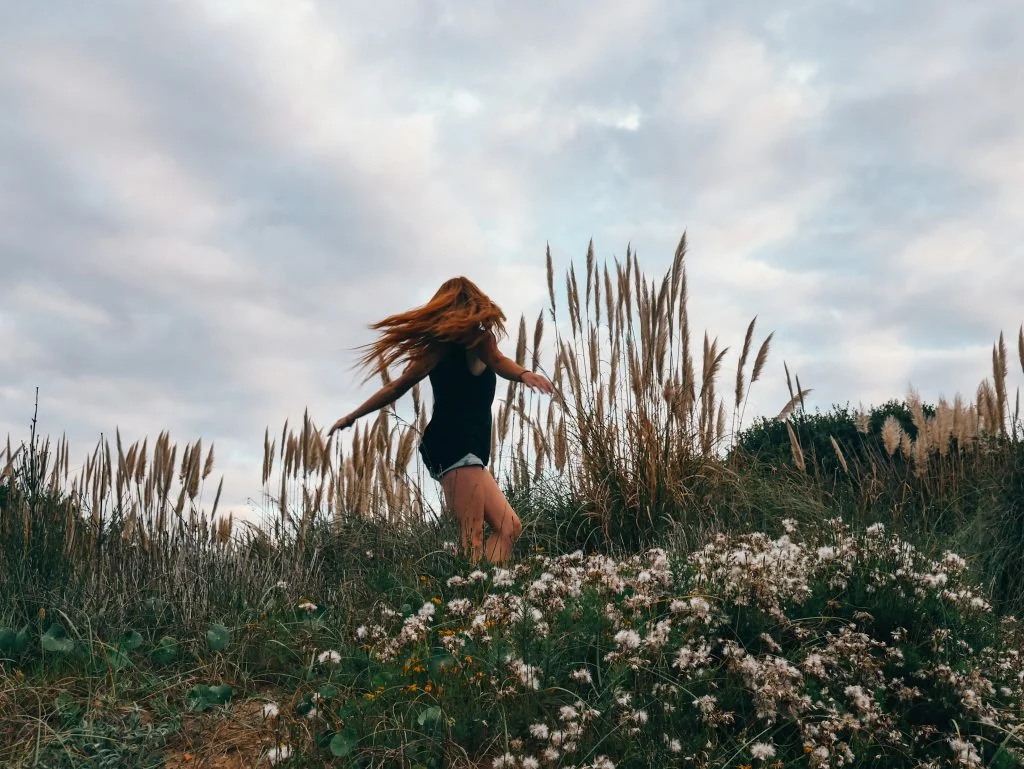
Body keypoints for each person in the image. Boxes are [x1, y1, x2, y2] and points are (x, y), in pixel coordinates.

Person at [326, 277, 554, 564]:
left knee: (509, 527)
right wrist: (523, 374)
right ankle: (475, 599)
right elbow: (497, 361)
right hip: (457, 446)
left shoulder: (443, 348)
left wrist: (351, 417)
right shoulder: (471, 342)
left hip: (462, 449)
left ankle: (491, 588)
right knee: (472, 536)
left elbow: (394, 388)